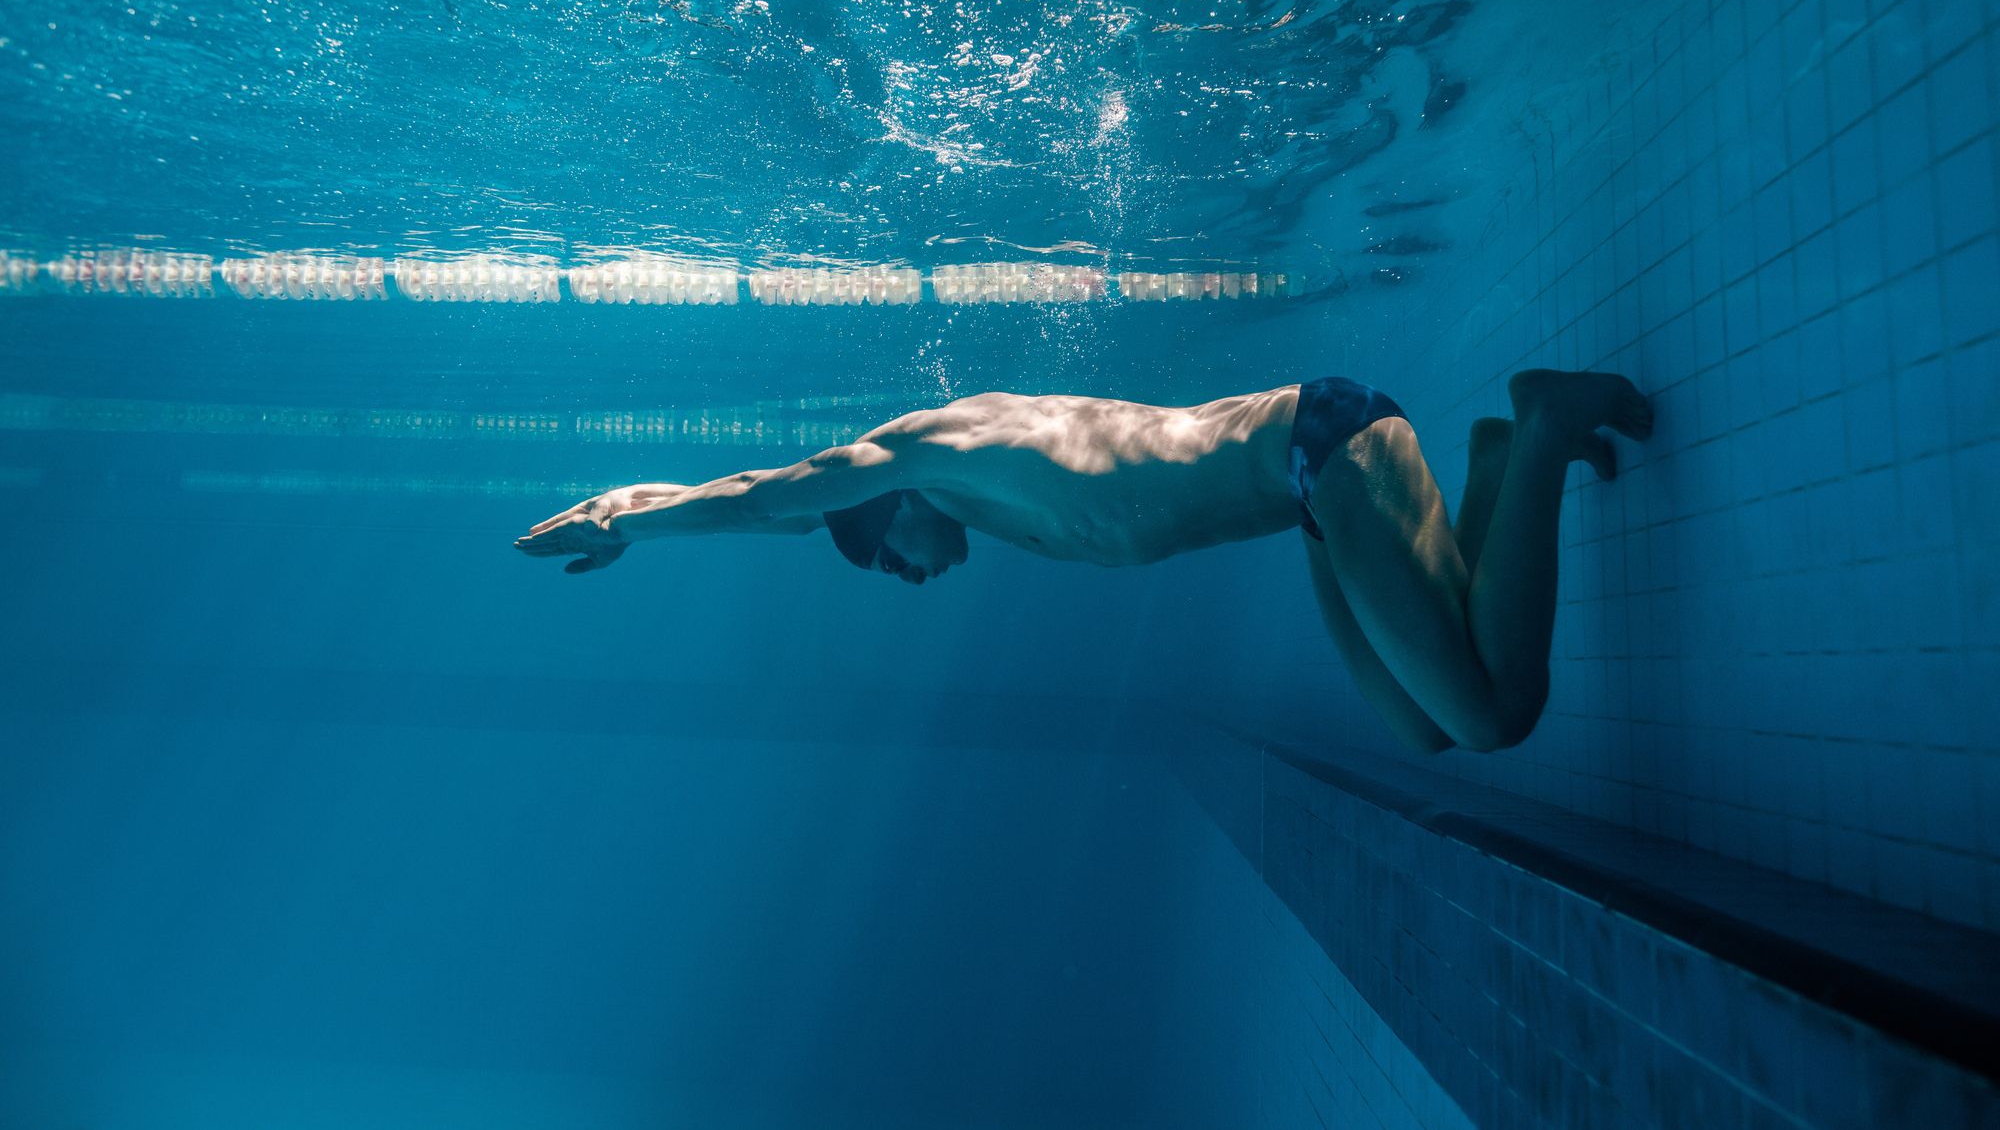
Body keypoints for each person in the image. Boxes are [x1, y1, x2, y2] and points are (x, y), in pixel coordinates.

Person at [516, 370, 1651, 755]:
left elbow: (773, 494)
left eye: (888, 562)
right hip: (1314, 501)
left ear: (888, 505)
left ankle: (1543, 425)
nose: (910, 578)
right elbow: (773, 520)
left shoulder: (925, 447)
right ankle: (1498, 456)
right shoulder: (958, 493)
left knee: (1495, 713)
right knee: (1424, 727)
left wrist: (621, 514)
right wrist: (646, 519)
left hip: (1324, 445)